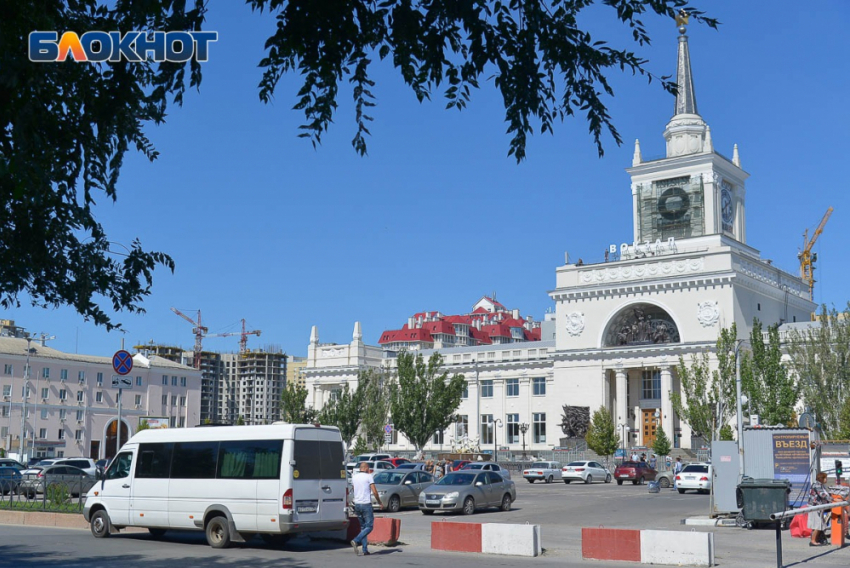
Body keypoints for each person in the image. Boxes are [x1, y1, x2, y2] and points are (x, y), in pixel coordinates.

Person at [351, 462, 382, 556]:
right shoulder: (369, 476)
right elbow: (375, 491)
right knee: (369, 526)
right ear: (366, 468)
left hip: (357, 504)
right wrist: (379, 502)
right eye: (369, 468)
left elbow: (354, 488)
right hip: (366, 504)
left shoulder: (354, 477)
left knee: (363, 527)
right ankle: (356, 540)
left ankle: (365, 550)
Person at [808, 472, 831, 547]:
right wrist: (833, 500)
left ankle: (817, 539)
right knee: (817, 525)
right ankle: (813, 541)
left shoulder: (821, 485)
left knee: (820, 524)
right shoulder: (817, 485)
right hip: (815, 507)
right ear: (822, 478)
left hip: (819, 507)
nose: (826, 479)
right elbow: (822, 495)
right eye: (825, 478)